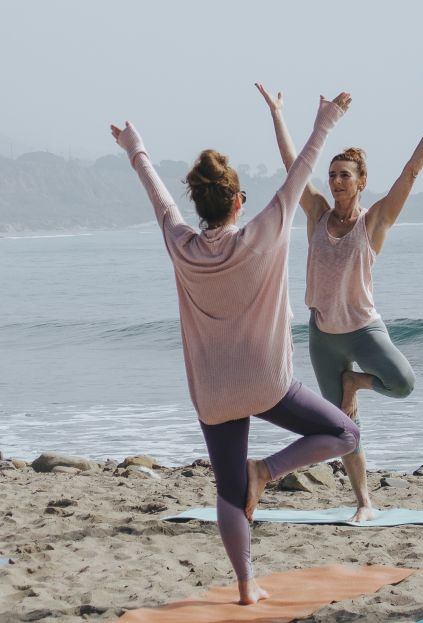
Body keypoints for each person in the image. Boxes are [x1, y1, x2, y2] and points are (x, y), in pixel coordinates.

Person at [108, 93, 359, 605]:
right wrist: (326, 119)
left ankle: (246, 588)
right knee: (345, 433)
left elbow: (158, 196)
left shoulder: (180, 243)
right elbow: (302, 170)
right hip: (267, 383)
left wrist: (135, 147)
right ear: (239, 201)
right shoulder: (263, 233)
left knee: (226, 492)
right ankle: (266, 470)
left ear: (199, 206)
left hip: (215, 392)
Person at [254, 82, 423, 522]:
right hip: (323, 337)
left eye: (344, 174)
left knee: (403, 383)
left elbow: (411, 172)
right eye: (332, 174)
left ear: (362, 181)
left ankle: (357, 382)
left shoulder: (376, 221)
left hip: (365, 331)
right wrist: (277, 113)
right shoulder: (314, 214)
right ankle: (364, 501)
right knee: (345, 431)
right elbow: (296, 166)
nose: (335, 181)